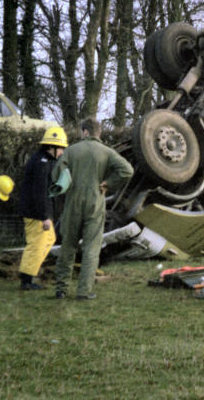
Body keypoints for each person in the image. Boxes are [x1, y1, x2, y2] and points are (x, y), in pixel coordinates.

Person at [52, 118, 133, 300]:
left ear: (85, 132)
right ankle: (84, 292)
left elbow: (56, 174)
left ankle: (61, 289)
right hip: (95, 202)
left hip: (72, 202)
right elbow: (127, 170)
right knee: (91, 248)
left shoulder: (71, 151)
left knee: (68, 247)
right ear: (98, 133)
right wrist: (109, 183)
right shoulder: (107, 152)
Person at [17, 127, 68, 290]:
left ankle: (29, 275)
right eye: (60, 148)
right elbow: (39, 192)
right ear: (51, 147)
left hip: (36, 211)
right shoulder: (42, 163)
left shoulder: (42, 160)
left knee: (49, 239)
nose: (61, 152)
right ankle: (27, 280)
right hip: (36, 213)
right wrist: (45, 216)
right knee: (37, 244)